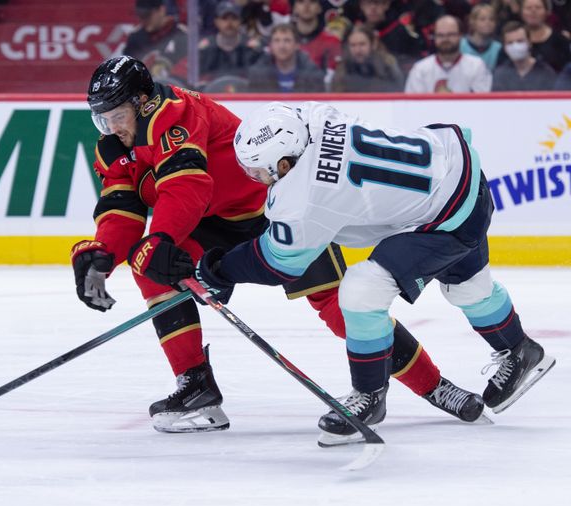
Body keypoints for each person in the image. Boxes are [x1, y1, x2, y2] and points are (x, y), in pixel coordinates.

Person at [73, 54, 487, 434]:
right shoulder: (115, 145)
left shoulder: (177, 114)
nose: (112, 129)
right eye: (102, 121)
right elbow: (121, 203)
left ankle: (434, 385)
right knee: (150, 270)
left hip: (279, 211)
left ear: (143, 102)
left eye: (117, 117)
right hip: (211, 223)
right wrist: (103, 253)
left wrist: (161, 238)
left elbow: (188, 187)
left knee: (343, 308)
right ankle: (196, 386)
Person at [171, 100, 555, 445]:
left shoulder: (306, 195)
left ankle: (368, 397)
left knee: (360, 291)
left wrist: (219, 270)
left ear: (285, 163)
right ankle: (521, 350)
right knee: (468, 289)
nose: (254, 177)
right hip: (458, 170)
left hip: (444, 219)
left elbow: (278, 262)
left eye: (258, 170)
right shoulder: (312, 117)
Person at [405, 15, 491, 93]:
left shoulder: (477, 66)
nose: (445, 39)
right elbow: (412, 103)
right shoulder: (420, 69)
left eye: (451, 34)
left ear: (460, 36)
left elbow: (483, 102)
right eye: (440, 35)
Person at [247, 23, 324, 92]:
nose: (281, 46)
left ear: (297, 45)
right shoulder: (257, 74)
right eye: (277, 41)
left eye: (287, 40)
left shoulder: (313, 74)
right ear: (271, 45)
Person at [123, 0, 188, 82]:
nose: (143, 19)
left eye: (147, 15)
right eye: (140, 15)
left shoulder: (181, 34)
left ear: (161, 10)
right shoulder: (135, 38)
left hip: (176, 85)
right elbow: (127, 70)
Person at [198, 1, 262, 81]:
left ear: (240, 21)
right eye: (224, 18)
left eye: (234, 18)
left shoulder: (252, 49)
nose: (229, 23)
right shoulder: (205, 49)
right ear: (216, 22)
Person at [331, 24, 403, 92]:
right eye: (353, 45)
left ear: (373, 44)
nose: (357, 50)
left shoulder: (387, 65)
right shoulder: (342, 68)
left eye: (362, 44)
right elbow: (337, 95)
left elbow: (397, 91)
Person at [492, 21, 556, 91]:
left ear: (529, 43)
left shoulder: (546, 72)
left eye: (520, 41)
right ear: (504, 47)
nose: (515, 46)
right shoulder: (500, 74)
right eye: (510, 43)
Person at [291, 0, 342, 76]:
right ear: (294, 8)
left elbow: (335, 76)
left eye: (312, 1)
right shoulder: (284, 40)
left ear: (319, 8)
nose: (306, 6)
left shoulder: (332, 41)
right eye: (301, 1)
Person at [519, 0, 571, 72]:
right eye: (528, 8)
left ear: (547, 11)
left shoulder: (560, 40)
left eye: (538, 7)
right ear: (521, 12)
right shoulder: (513, 39)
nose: (533, 11)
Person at [460, 4, 503, 73]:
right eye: (482, 19)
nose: (488, 22)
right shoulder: (461, 45)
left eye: (491, 19)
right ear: (473, 22)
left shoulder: (498, 48)